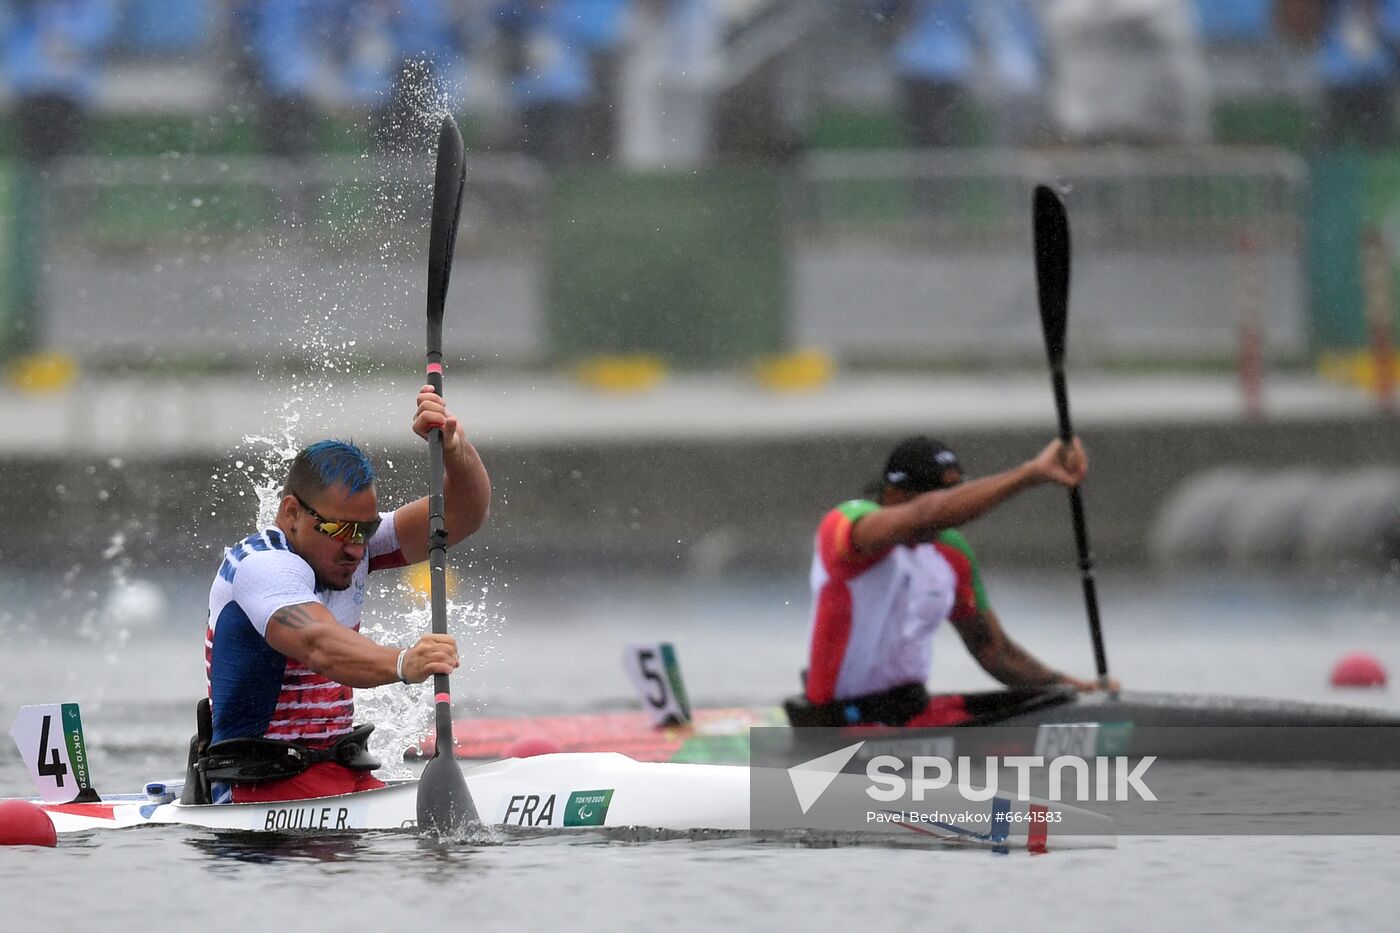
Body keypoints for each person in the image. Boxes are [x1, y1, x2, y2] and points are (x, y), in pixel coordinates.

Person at [198, 385, 491, 803]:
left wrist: (457, 454)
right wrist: (405, 662)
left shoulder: (353, 546)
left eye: (365, 530)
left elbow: (463, 514)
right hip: (256, 790)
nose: (356, 547)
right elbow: (319, 644)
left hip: (335, 777)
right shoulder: (262, 566)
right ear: (292, 514)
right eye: (339, 530)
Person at [792, 435, 1117, 729]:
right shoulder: (850, 529)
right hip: (836, 726)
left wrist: (1078, 690)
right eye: (945, 496)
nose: (955, 508)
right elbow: (927, 514)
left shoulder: (951, 553)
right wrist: (1030, 474)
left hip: (914, 714)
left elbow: (994, 650)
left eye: (959, 491)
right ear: (894, 496)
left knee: (1051, 707)